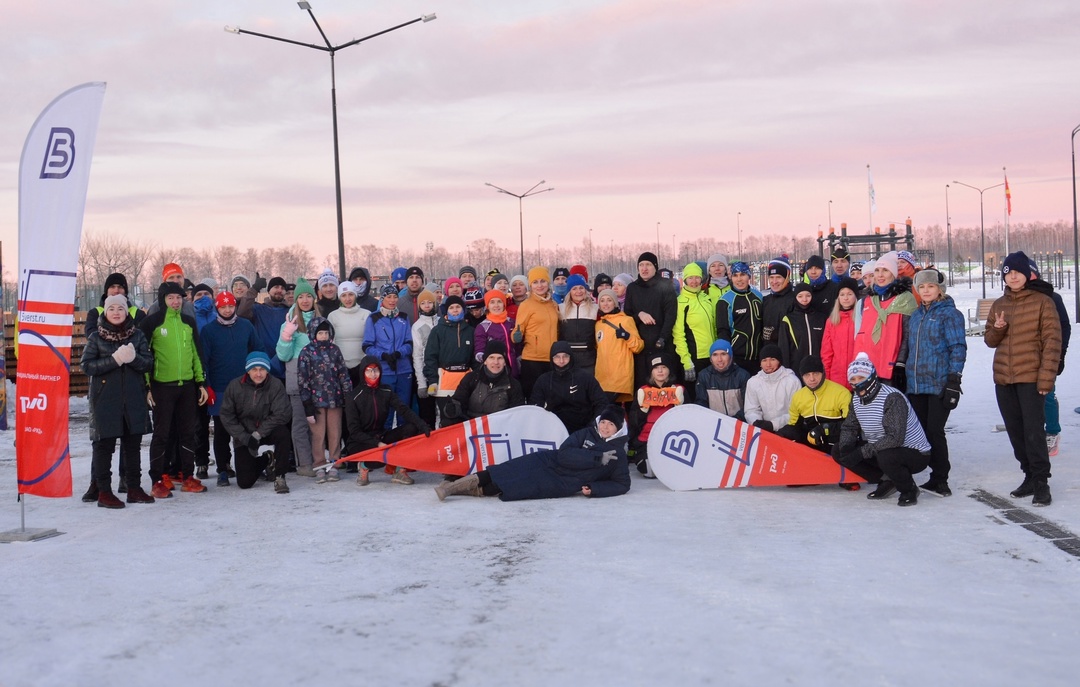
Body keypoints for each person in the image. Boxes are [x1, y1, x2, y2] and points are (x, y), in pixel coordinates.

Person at [985, 251, 1061, 507]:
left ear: (1027, 274)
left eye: (1017, 271)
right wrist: (998, 329)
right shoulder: (999, 304)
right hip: (1004, 379)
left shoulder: (1043, 302)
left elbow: (1052, 343)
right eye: (1008, 272)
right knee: (1016, 433)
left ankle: (1041, 483)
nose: (1013, 276)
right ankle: (1028, 475)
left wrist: (1046, 379)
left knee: (1033, 433)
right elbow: (989, 340)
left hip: (1031, 378)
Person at [435, 405, 630, 501]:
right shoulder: (586, 433)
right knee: (503, 471)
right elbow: (565, 454)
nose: (605, 427)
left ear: (618, 429)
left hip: (561, 483)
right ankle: (450, 489)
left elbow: (622, 484)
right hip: (548, 461)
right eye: (603, 422)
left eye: (611, 424)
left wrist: (595, 489)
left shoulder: (619, 454)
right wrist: (596, 458)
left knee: (507, 488)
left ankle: (454, 488)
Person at [894, 268, 966, 497]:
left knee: (935, 431)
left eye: (931, 286)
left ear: (940, 289)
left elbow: (957, 347)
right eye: (922, 287)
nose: (926, 291)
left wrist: (954, 378)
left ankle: (940, 478)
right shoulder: (916, 315)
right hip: (916, 384)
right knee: (922, 432)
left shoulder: (950, 314)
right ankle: (929, 474)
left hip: (938, 383)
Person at [80, 294, 157, 508]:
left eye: (120, 309)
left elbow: (148, 364)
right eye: (111, 308)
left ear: (126, 312)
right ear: (105, 312)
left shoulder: (138, 336)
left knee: (132, 446)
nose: (116, 312)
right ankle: (104, 491)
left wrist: (134, 359)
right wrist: (114, 360)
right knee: (104, 447)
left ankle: (134, 488)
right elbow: (86, 366)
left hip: (133, 399)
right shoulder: (96, 337)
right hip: (105, 400)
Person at [139, 281, 210, 497]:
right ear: (163, 300)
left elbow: (196, 354)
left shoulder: (188, 322)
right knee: (162, 434)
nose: (175, 301)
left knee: (188, 433)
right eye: (171, 298)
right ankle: (158, 480)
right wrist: (147, 387)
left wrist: (201, 383)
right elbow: (144, 357)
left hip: (187, 387)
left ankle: (187, 476)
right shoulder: (152, 322)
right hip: (162, 387)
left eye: (179, 298)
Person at [832, 353, 931, 506]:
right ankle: (888, 480)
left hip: (914, 452)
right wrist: (846, 447)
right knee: (839, 451)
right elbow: (850, 426)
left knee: (886, 456)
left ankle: (908, 489)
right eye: (853, 379)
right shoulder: (856, 399)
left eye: (861, 378)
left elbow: (895, 438)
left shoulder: (892, 398)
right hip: (880, 448)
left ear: (871, 377)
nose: (857, 383)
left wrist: (861, 453)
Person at [199, 291, 262, 485]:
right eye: (223, 307)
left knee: (245, 428)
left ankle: (246, 464)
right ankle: (223, 468)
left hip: (243, 387)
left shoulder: (246, 326)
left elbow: (256, 351)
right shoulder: (209, 331)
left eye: (230, 306)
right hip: (219, 388)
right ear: (217, 308)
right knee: (221, 430)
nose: (227, 310)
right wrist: (206, 385)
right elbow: (204, 361)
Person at [344, 355, 433, 486]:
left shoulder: (386, 391)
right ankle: (363, 465)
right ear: (363, 372)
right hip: (360, 442)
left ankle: (399, 471)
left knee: (411, 428)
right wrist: (377, 444)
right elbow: (354, 431)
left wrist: (423, 426)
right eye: (369, 370)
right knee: (383, 456)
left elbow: (404, 410)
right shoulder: (353, 397)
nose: (373, 374)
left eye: (376, 370)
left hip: (381, 435)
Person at [219, 351, 293, 493]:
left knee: (283, 433)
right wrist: (245, 437)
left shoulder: (275, 385)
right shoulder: (235, 386)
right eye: (254, 369)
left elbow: (283, 413)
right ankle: (267, 458)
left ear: (267, 370)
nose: (258, 374)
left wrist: (259, 433)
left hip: (267, 429)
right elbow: (227, 416)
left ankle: (280, 476)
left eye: (262, 369)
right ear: (248, 370)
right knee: (245, 482)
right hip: (245, 433)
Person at [276, 277, 322, 477]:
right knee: (301, 424)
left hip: (319, 380)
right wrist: (287, 336)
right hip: (296, 378)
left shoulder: (321, 320)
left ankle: (318, 460)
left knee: (317, 424)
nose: (304, 300)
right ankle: (304, 463)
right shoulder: (290, 321)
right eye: (300, 296)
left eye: (308, 296)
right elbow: (282, 355)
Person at [298, 318, 353, 484]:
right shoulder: (306, 352)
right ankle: (319, 464)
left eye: (325, 333)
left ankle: (334, 462)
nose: (323, 336)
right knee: (318, 434)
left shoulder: (335, 350)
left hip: (335, 399)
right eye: (320, 333)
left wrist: (347, 395)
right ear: (313, 334)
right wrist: (307, 403)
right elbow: (303, 379)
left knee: (335, 431)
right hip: (316, 402)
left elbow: (343, 373)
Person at [1027, 260, 1071, 458]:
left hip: (1048, 355)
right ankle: (1033, 433)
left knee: (1047, 394)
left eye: (1029, 273)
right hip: (1024, 356)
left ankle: (1052, 431)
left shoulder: (1053, 297)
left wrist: (1060, 354)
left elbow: (1065, 327)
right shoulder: (1017, 298)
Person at [852, 251, 916, 387]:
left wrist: (901, 364)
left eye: (885, 270)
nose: (880, 275)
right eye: (877, 270)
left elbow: (908, 335)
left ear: (893, 274)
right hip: (869, 367)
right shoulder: (867, 301)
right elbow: (861, 335)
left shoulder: (905, 299)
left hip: (892, 368)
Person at [777, 355, 851, 456]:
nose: (812, 379)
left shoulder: (841, 393)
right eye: (807, 375)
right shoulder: (798, 397)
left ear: (823, 372)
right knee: (786, 432)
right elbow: (793, 425)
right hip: (812, 440)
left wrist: (823, 429)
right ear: (802, 376)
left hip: (834, 441)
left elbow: (851, 425)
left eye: (816, 373)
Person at [623, 252, 678, 388]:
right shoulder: (632, 288)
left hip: (662, 344)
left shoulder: (665, 286)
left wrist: (662, 338)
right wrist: (639, 315)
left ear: (655, 267)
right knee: (643, 385)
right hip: (640, 346)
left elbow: (671, 315)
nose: (644, 268)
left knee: (663, 384)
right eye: (641, 265)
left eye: (648, 264)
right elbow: (627, 316)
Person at [362, 284, 414, 426]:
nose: (392, 300)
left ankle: (405, 442)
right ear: (382, 299)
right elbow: (367, 346)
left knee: (404, 409)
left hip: (404, 369)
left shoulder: (403, 318)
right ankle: (387, 443)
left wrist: (398, 353)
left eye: (395, 296)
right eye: (389, 297)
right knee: (386, 412)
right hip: (384, 370)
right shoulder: (373, 318)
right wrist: (383, 355)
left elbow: (409, 343)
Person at [530, 341, 607, 434]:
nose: (561, 361)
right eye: (557, 357)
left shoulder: (585, 377)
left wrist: (593, 425)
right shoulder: (543, 380)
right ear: (552, 358)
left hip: (582, 429)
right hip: (552, 430)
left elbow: (601, 402)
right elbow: (535, 407)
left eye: (565, 356)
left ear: (571, 357)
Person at [423, 295, 476, 426]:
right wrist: (433, 381)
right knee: (447, 419)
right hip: (444, 381)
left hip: (465, 381)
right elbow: (430, 357)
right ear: (447, 311)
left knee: (465, 420)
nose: (455, 310)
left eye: (458, 307)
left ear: (463, 309)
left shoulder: (471, 331)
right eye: (451, 308)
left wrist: (475, 378)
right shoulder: (437, 331)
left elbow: (475, 358)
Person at [445, 341, 526, 423]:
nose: (496, 362)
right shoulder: (471, 378)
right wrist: (452, 408)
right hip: (472, 425)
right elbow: (459, 401)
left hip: (500, 428)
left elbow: (516, 414)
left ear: (505, 362)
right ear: (485, 361)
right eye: (491, 357)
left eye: (500, 358)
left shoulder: (513, 385)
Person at [629, 354, 683, 478]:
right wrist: (642, 411)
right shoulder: (642, 391)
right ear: (651, 372)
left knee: (674, 470)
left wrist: (680, 407)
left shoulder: (679, 390)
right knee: (648, 471)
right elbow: (634, 423)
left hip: (672, 440)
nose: (660, 371)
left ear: (669, 370)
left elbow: (690, 420)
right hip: (647, 440)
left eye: (664, 367)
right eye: (656, 368)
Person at [512, 266, 560, 398]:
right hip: (533, 361)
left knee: (552, 398)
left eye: (542, 281)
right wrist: (517, 336)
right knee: (534, 398)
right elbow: (517, 330)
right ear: (530, 285)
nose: (539, 285)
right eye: (535, 282)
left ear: (548, 283)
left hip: (553, 360)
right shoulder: (526, 305)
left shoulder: (553, 304)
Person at [673, 261, 716, 400]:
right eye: (690, 278)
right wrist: (686, 361)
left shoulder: (706, 298)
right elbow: (678, 335)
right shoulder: (680, 302)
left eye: (697, 277)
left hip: (712, 357)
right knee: (697, 397)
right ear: (684, 279)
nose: (694, 281)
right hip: (695, 358)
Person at [594, 288, 644, 403]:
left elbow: (638, 346)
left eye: (609, 300)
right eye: (602, 301)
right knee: (609, 412)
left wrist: (627, 336)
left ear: (615, 303)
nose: (606, 304)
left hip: (619, 375)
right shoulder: (598, 324)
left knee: (604, 409)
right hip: (602, 376)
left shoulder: (626, 320)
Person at [238, 274, 290, 380]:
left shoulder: (290, 312)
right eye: (276, 287)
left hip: (285, 364)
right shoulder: (258, 309)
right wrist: (254, 289)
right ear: (269, 290)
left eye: (282, 288)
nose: (279, 290)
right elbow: (241, 312)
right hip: (262, 364)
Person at [715, 261, 763, 375]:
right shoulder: (725, 301)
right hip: (737, 359)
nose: (739, 279)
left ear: (749, 276)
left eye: (742, 275)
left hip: (758, 357)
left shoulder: (758, 296)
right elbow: (722, 331)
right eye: (735, 275)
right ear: (731, 278)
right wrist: (727, 356)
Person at [743, 344, 801, 434]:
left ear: (779, 361)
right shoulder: (753, 382)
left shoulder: (792, 381)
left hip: (787, 430)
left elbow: (795, 412)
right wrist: (756, 422)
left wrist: (773, 425)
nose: (768, 364)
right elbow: (751, 409)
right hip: (762, 431)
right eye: (764, 360)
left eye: (772, 360)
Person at [327, 280, 371, 387]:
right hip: (341, 366)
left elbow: (371, 340)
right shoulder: (333, 316)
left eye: (351, 294)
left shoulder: (366, 314)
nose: (347, 299)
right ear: (339, 297)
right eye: (343, 295)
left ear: (355, 295)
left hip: (362, 366)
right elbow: (331, 343)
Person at [820, 278, 861, 390]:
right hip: (836, 378)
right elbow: (826, 352)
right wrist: (827, 377)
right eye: (842, 294)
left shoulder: (862, 318)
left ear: (855, 296)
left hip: (858, 377)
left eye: (849, 294)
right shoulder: (832, 321)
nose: (846, 298)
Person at [693, 339, 750, 419]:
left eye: (723, 354)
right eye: (715, 355)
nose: (719, 359)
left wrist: (732, 421)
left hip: (738, 424)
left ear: (730, 356)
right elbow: (701, 404)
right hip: (714, 424)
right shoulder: (704, 376)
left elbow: (748, 406)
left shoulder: (742, 375)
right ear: (711, 358)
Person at [778, 282, 826, 374]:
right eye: (800, 296)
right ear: (795, 297)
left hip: (818, 370)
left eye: (808, 295)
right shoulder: (788, 319)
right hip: (797, 370)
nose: (804, 299)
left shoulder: (821, 318)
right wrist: (786, 372)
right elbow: (784, 349)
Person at [411, 290, 441, 429]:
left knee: (443, 412)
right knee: (428, 415)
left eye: (430, 302)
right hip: (427, 374)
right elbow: (417, 355)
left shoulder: (442, 322)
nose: (427, 305)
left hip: (443, 374)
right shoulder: (417, 326)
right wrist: (421, 383)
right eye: (423, 303)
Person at [558, 274, 599, 374]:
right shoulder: (561, 309)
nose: (578, 291)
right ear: (569, 292)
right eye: (574, 289)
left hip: (589, 360)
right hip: (567, 360)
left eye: (581, 288)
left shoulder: (595, 308)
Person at [473, 288, 518, 378]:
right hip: (495, 371)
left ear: (504, 304)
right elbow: (479, 351)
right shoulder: (483, 327)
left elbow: (518, 347)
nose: (496, 305)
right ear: (488, 306)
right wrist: (489, 362)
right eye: (492, 302)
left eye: (499, 302)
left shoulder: (512, 323)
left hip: (514, 370)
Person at [760, 256, 795, 345]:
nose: (774, 282)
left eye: (778, 277)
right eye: (771, 277)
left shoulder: (794, 300)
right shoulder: (765, 300)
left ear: (786, 278)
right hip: (768, 353)